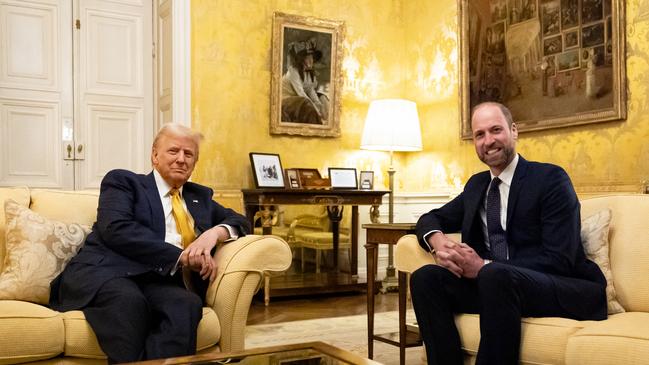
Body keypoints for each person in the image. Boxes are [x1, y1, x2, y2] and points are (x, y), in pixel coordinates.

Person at [410, 102, 607, 365]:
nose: (488, 141)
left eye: (496, 130)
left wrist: (482, 266)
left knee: (494, 274)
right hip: (497, 289)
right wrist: (438, 243)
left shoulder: (550, 179)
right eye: (480, 134)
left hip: (559, 287)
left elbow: (561, 259)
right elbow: (430, 218)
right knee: (426, 278)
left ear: (514, 131)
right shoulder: (477, 185)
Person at [49, 123, 250, 363]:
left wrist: (214, 233)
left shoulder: (199, 197)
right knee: (129, 303)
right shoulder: (125, 183)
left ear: (195, 163)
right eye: (173, 151)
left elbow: (240, 220)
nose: (181, 159)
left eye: (189, 154)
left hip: (158, 280)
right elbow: (116, 228)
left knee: (186, 304)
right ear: (154, 155)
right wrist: (181, 256)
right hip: (109, 273)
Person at [281, 38, 329, 124]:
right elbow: (301, 94)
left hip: (298, 99)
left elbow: (310, 90)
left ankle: (326, 120)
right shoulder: (293, 71)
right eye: (308, 58)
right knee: (306, 102)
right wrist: (317, 112)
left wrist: (319, 105)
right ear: (301, 60)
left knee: (322, 98)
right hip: (286, 100)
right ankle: (320, 121)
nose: (311, 61)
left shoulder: (308, 73)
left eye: (312, 58)